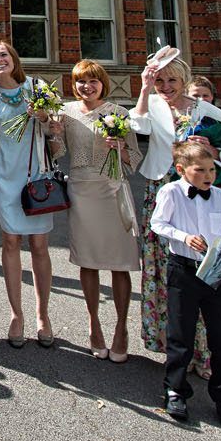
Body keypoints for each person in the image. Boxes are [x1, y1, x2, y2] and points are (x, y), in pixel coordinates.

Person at [131, 51, 221, 372]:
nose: (166, 86)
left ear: (184, 80)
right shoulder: (152, 105)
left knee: (206, 267)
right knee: (167, 268)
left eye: (172, 80)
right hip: (163, 190)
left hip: (203, 194)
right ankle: (176, 344)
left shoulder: (209, 111)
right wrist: (144, 88)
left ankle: (208, 351)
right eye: (160, 80)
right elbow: (136, 126)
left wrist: (213, 150)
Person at [151, 141, 221, 432]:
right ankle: (175, 390)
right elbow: (159, 224)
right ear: (181, 170)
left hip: (216, 272)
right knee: (181, 333)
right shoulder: (170, 192)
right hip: (184, 270)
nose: (208, 176)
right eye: (200, 170)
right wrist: (183, 236)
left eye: (211, 170)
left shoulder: (220, 196)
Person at [47, 60, 139, 362]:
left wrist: (119, 148)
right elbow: (57, 154)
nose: (86, 87)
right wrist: (56, 134)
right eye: (80, 82)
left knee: (119, 263)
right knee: (88, 261)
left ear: (103, 83)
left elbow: (134, 160)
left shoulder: (119, 113)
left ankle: (121, 328)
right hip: (82, 191)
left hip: (111, 190)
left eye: (92, 81)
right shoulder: (67, 112)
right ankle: (94, 323)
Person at [0, 40, 61, 348]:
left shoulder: (37, 88)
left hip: (37, 174)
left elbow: (55, 130)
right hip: (5, 173)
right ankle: (17, 315)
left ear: (14, 58)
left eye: (4, 54)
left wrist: (44, 119)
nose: (0, 59)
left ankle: (43, 315)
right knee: (10, 240)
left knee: (39, 244)